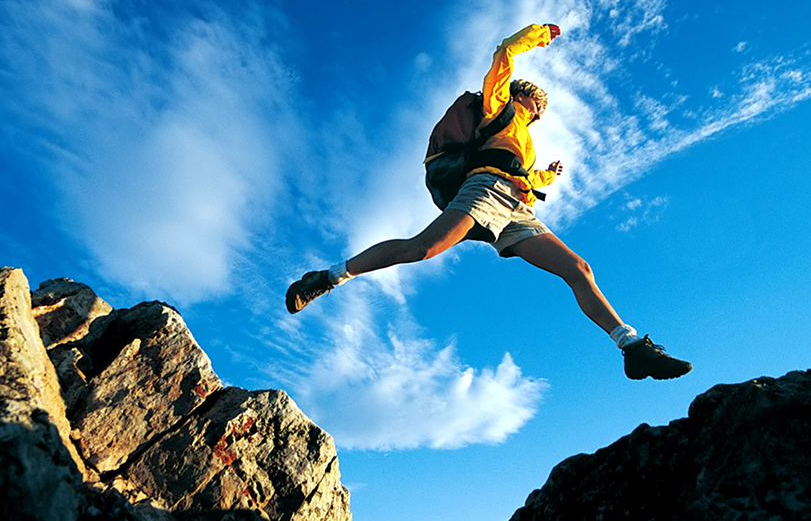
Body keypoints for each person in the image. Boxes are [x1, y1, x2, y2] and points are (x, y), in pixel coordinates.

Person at [286, 23, 691, 381]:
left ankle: (632, 348)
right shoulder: (498, 105)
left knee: (578, 268)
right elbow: (504, 54)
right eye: (536, 104)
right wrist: (536, 35)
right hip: (486, 189)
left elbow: (524, 175)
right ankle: (327, 277)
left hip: (517, 207)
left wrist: (548, 175)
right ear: (521, 96)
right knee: (421, 248)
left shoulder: (525, 139)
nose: (539, 113)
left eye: (540, 110)